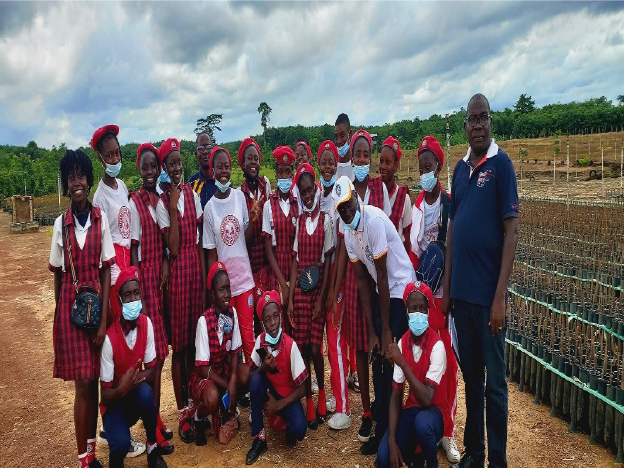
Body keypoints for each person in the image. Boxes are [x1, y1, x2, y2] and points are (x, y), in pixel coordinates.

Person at [442, 94, 519, 468]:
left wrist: (500, 297)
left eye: (482, 118)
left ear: (491, 122)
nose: (476, 125)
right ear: (465, 126)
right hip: (462, 299)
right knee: (472, 379)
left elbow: (512, 230)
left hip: (490, 301)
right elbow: (453, 229)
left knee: (494, 386)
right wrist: (447, 291)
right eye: (471, 120)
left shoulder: (501, 166)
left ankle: (498, 462)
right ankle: (474, 453)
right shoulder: (459, 169)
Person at [334, 175, 416, 456]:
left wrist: (384, 331)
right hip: (382, 292)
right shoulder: (348, 233)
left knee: (388, 357)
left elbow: (382, 276)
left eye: (348, 204)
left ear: (356, 198)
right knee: (378, 359)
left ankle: (392, 430)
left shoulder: (375, 221)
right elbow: (361, 283)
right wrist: (372, 330)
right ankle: (382, 427)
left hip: (399, 287)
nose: (346, 212)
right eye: (340, 209)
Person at [49, 149, 116, 468]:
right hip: (70, 314)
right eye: (71, 177)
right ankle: (84, 460)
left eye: (81, 175)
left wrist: (103, 322)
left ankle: (91, 450)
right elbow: (59, 276)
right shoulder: (60, 225)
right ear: (67, 182)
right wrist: (62, 318)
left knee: (95, 383)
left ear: (89, 179)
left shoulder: (101, 219)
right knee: (82, 386)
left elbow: (106, 270)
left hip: (96, 312)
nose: (76, 182)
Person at [332, 129, 390, 445]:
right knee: (360, 347)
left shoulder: (380, 190)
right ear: (351, 159)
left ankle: (384, 410)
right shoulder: (347, 193)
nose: (362, 160)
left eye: (367, 155)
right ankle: (367, 412)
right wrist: (335, 289)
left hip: (379, 282)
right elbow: (343, 246)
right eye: (358, 155)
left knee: (381, 343)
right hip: (357, 283)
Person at [409, 135, 459, 463]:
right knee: (427, 362)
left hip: (445, 297)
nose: (425, 172)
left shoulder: (449, 203)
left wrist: (448, 295)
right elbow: (415, 254)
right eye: (421, 167)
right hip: (426, 298)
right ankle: (428, 423)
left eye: (430, 166)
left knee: (450, 366)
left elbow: (453, 249)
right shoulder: (417, 207)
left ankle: (448, 432)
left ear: (438, 167)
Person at [156, 138, 205, 444]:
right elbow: (172, 247)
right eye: (170, 164)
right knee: (180, 349)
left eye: (178, 162)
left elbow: (198, 243)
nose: (176, 168)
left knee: (193, 349)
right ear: (164, 168)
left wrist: (203, 283)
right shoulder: (163, 204)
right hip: (176, 276)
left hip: (194, 274)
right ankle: (183, 412)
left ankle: (195, 403)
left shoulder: (193, 194)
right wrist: (173, 207)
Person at [129, 143, 174, 455]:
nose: (149, 172)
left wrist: (168, 263)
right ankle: (152, 428)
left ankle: (154, 420)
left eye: (153, 167)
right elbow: (133, 249)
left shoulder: (160, 201)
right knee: (153, 360)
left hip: (160, 285)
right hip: (143, 286)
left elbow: (166, 241)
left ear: (159, 169)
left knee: (159, 357)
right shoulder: (134, 204)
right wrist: (137, 291)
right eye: (144, 167)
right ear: (139, 170)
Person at [100, 266, 168, 468]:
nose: (133, 299)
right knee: (120, 444)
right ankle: (116, 460)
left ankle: (152, 448)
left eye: (136, 293)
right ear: (119, 299)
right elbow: (105, 396)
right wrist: (123, 387)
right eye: (127, 295)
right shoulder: (109, 340)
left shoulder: (146, 325)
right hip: (113, 405)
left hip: (132, 397)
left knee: (146, 394)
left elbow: (153, 369)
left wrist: (131, 382)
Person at [375, 281, 448, 468]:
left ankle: (431, 463)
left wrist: (402, 362)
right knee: (383, 460)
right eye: (413, 308)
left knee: (423, 424)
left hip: (435, 413)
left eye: (422, 309)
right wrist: (392, 440)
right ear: (406, 311)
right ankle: (412, 454)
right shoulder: (402, 343)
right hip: (412, 410)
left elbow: (426, 400)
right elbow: (396, 395)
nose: (418, 313)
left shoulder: (437, 346)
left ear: (429, 312)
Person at [287, 163, 334, 429]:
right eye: (302, 191)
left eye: (309, 189)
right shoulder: (299, 221)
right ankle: (309, 402)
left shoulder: (326, 219)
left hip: (316, 290)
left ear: (316, 188)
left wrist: (321, 297)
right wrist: (292, 297)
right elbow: (295, 262)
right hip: (301, 292)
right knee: (303, 348)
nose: (306, 194)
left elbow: (326, 263)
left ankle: (322, 393)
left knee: (316, 349)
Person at [203, 146, 256, 362]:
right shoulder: (209, 209)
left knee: (248, 338)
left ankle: (255, 389)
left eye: (227, 166)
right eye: (219, 167)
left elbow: (247, 239)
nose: (223, 171)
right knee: (227, 341)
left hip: (244, 282)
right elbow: (211, 255)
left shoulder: (239, 198)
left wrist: (252, 221)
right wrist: (212, 291)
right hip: (224, 290)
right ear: (212, 170)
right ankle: (233, 393)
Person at [190, 261, 250, 445]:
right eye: (221, 290)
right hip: (205, 376)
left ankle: (227, 407)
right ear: (212, 295)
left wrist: (232, 381)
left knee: (248, 374)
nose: (226, 295)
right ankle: (198, 419)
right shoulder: (204, 321)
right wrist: (227, 385)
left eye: (228, 289)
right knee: (212, 397)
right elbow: (202, 369)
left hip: (223, 370)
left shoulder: (232, 313)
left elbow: (234, 352)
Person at [246, 291, 308, 464]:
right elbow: (249, 374)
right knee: (256, 379)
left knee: (300, 430)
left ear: (281, 316)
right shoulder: (260, 341)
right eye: (268, 319)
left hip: (286, 397)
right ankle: (260, 437)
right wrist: (263, 367)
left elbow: (304, 387)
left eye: (275, 317)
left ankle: (283, 422)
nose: (273, 323)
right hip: (269, 391)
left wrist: (279, 404)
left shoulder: (290, 345)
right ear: (262, 323)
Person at [317, 140, 352, 430]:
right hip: (323, 279)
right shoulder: (317, 196)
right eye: (324, 161)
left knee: (336, 345)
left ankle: (343, 407)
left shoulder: (340, 193)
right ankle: (337, 395)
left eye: (332, 162)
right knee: (332, 345)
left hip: (336, 282)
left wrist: (333, 289)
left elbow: (339, 248)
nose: (328, 166)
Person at [91, 124, 131, 324]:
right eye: (109, 156)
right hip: (114, 263)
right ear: (100, 159)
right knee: (119, 317)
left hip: (128, 260)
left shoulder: (122, 186)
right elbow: (102, 243)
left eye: (117, 154)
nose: (115, 160)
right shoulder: (100, 198)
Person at [262, 146, 299, 308]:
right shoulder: (268, 205)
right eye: (281, 172)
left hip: (295, 267)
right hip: (276, 268)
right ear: (276, 174)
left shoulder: (298, 204)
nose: (284, 176)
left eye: (288, 172)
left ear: (293, 174)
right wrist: (283, 284)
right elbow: (269, 249)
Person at [238, 138, 272, 308]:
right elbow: (245, 240)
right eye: (249, 158)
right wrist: (252, 220)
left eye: (256, 158)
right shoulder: (239, 195)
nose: (253, 162)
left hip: (268, 263)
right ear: (243, 164)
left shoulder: (265, 186)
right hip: (250, 266)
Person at [379, 136, 411, 254]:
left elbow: (407, 238)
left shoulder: (404, 199)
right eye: (381, 161)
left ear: (396, 166)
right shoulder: (373, 193)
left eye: (388, 162)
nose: (383, 167)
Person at [188, 132, 217, 210]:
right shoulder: (191, 185)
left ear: (213, 151)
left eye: (208, 147)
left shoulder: (222, 182)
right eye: (201, 148)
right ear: (195, 155)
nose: (205, 151)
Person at [334, 113, 355, 181]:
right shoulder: (332, 167)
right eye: (336, 137)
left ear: (350, 134)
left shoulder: (357, 167)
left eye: (342, 136)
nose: (339, 141)